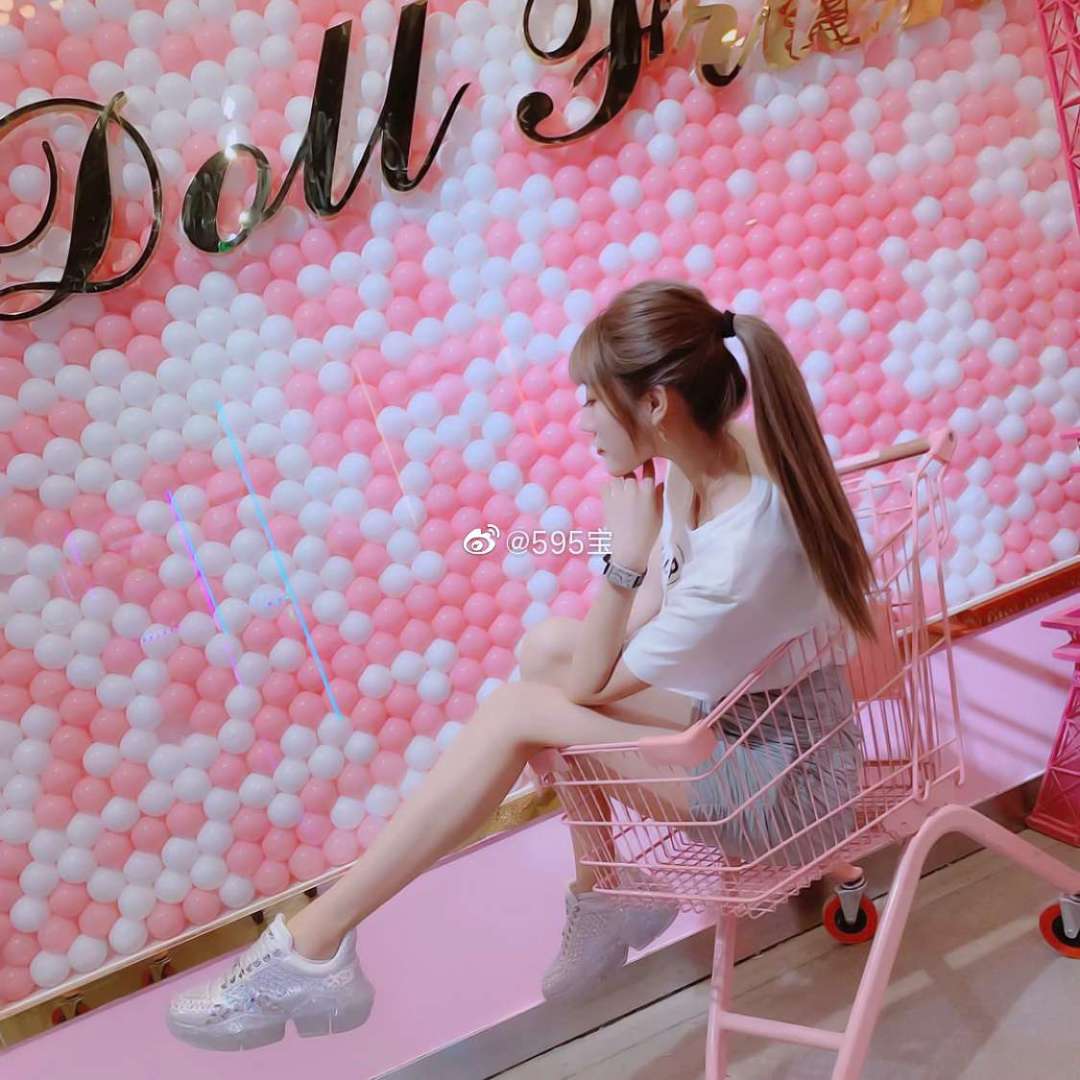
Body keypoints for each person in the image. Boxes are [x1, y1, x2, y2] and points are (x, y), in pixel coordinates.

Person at [166, 280, 878, 1051]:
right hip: (746, 721)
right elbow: (631, 633)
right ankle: (605, 890)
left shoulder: (739, 550)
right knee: (544, 650)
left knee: (523, 709)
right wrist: (627, 580)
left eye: (592, 400)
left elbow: (599, 675)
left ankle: (316, 940)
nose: (584, 421)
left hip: (786, 788)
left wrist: (621, 562)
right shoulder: (700, 465)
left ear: (655, 404)